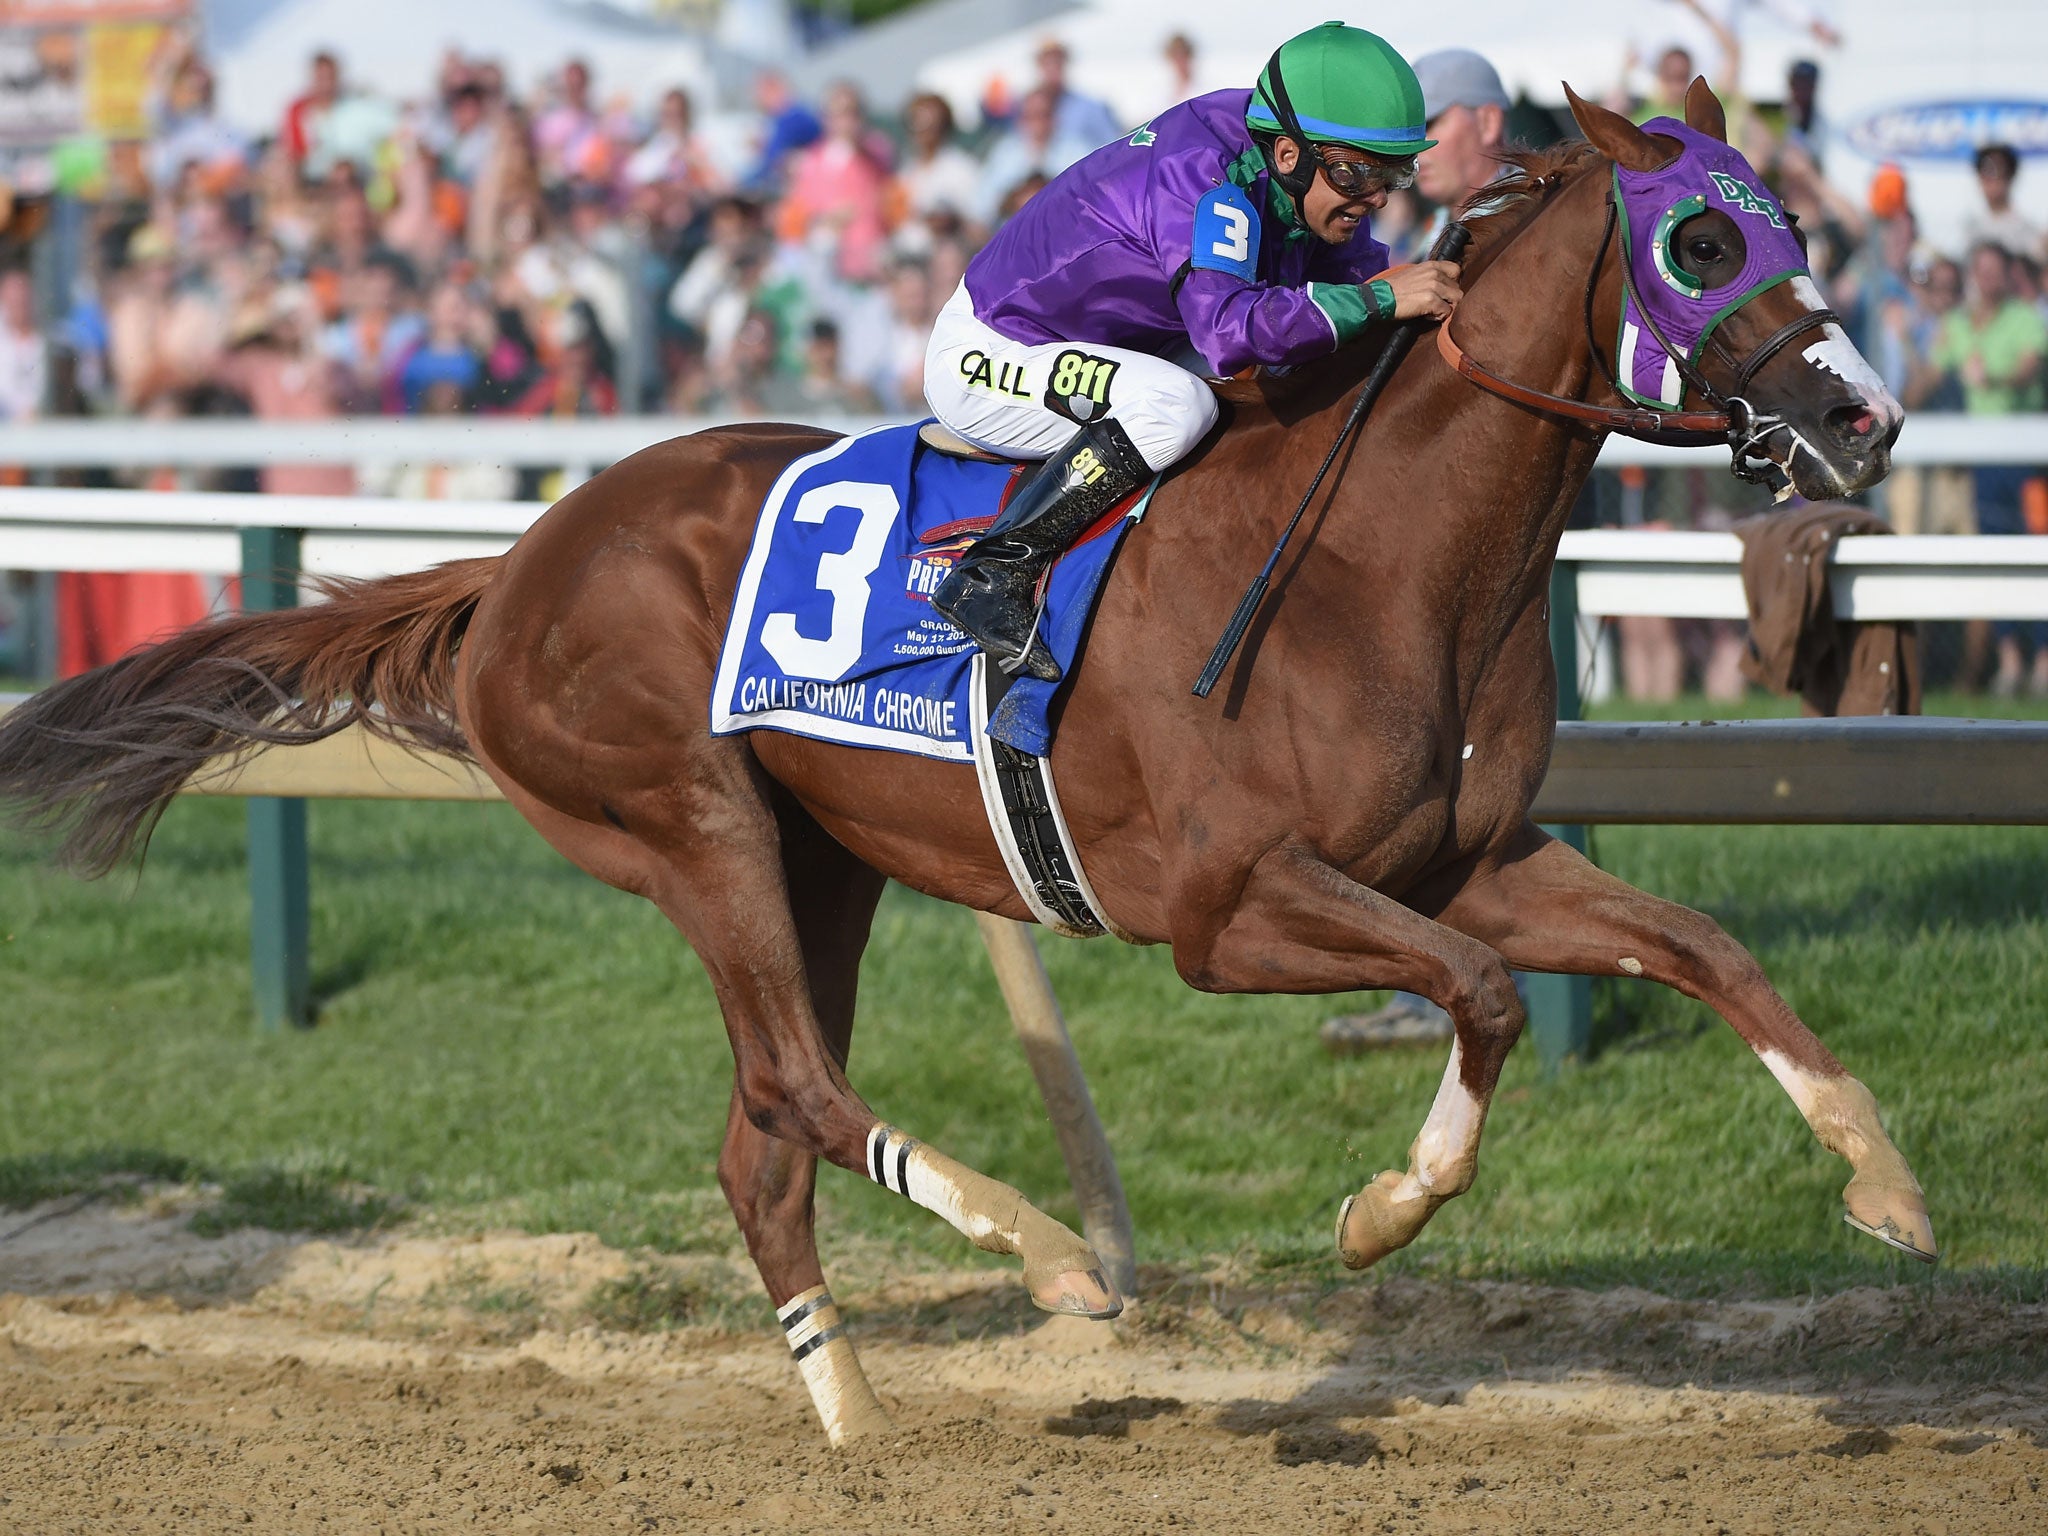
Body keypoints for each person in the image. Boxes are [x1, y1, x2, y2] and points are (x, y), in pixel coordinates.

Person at [924, 21, 1461, 682]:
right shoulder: (1206, 177)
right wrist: (1381, 302)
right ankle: (994, 570)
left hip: (1123, 344)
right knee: (1175, 406)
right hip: (995, 349)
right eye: (1357, 172)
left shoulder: (1307, 175)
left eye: (1392, 174)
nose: (1374, 197)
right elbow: (1230, 335)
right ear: (1288, 154)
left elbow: (1359, 296)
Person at [1963, 144, 2042, 266]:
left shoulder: (2030, 232)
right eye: (1986, 172)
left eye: (1998, 172)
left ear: (2010, 177)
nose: (1991, 180)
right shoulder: (1967, 227)